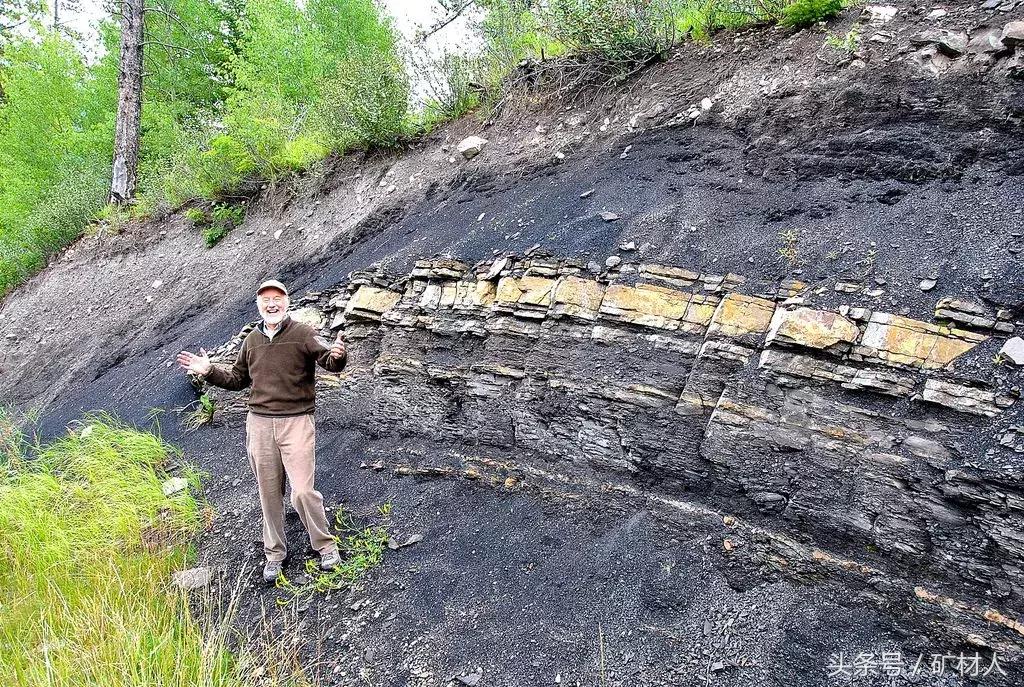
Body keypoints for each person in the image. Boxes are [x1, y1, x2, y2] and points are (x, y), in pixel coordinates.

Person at [176, 279, 347, 583]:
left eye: (277, 298)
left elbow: (330, 361)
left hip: (296, 421)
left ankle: (325, 546)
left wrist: (338, 355)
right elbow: (237, 380)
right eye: (266, 299)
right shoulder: (251, 341)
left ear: (287, 302)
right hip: (259, 424)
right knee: (268, 493)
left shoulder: (303, 333)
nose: (272, 304)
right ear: (258, 305)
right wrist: (209, 371)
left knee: (303, 491)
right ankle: (275, 554)